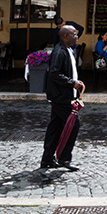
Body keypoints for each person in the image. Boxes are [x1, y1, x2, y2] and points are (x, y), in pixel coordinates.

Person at [41, 25, 84, 171]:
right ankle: (64, 158)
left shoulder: (69, 50)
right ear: (66, 36)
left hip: (64, 95)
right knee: (73, 124)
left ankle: (47, 158)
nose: (76, 37)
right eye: (74, 34)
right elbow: (54, 73)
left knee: (55, 127)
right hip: (61, 96)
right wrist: (72, 83)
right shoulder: (59, 52)